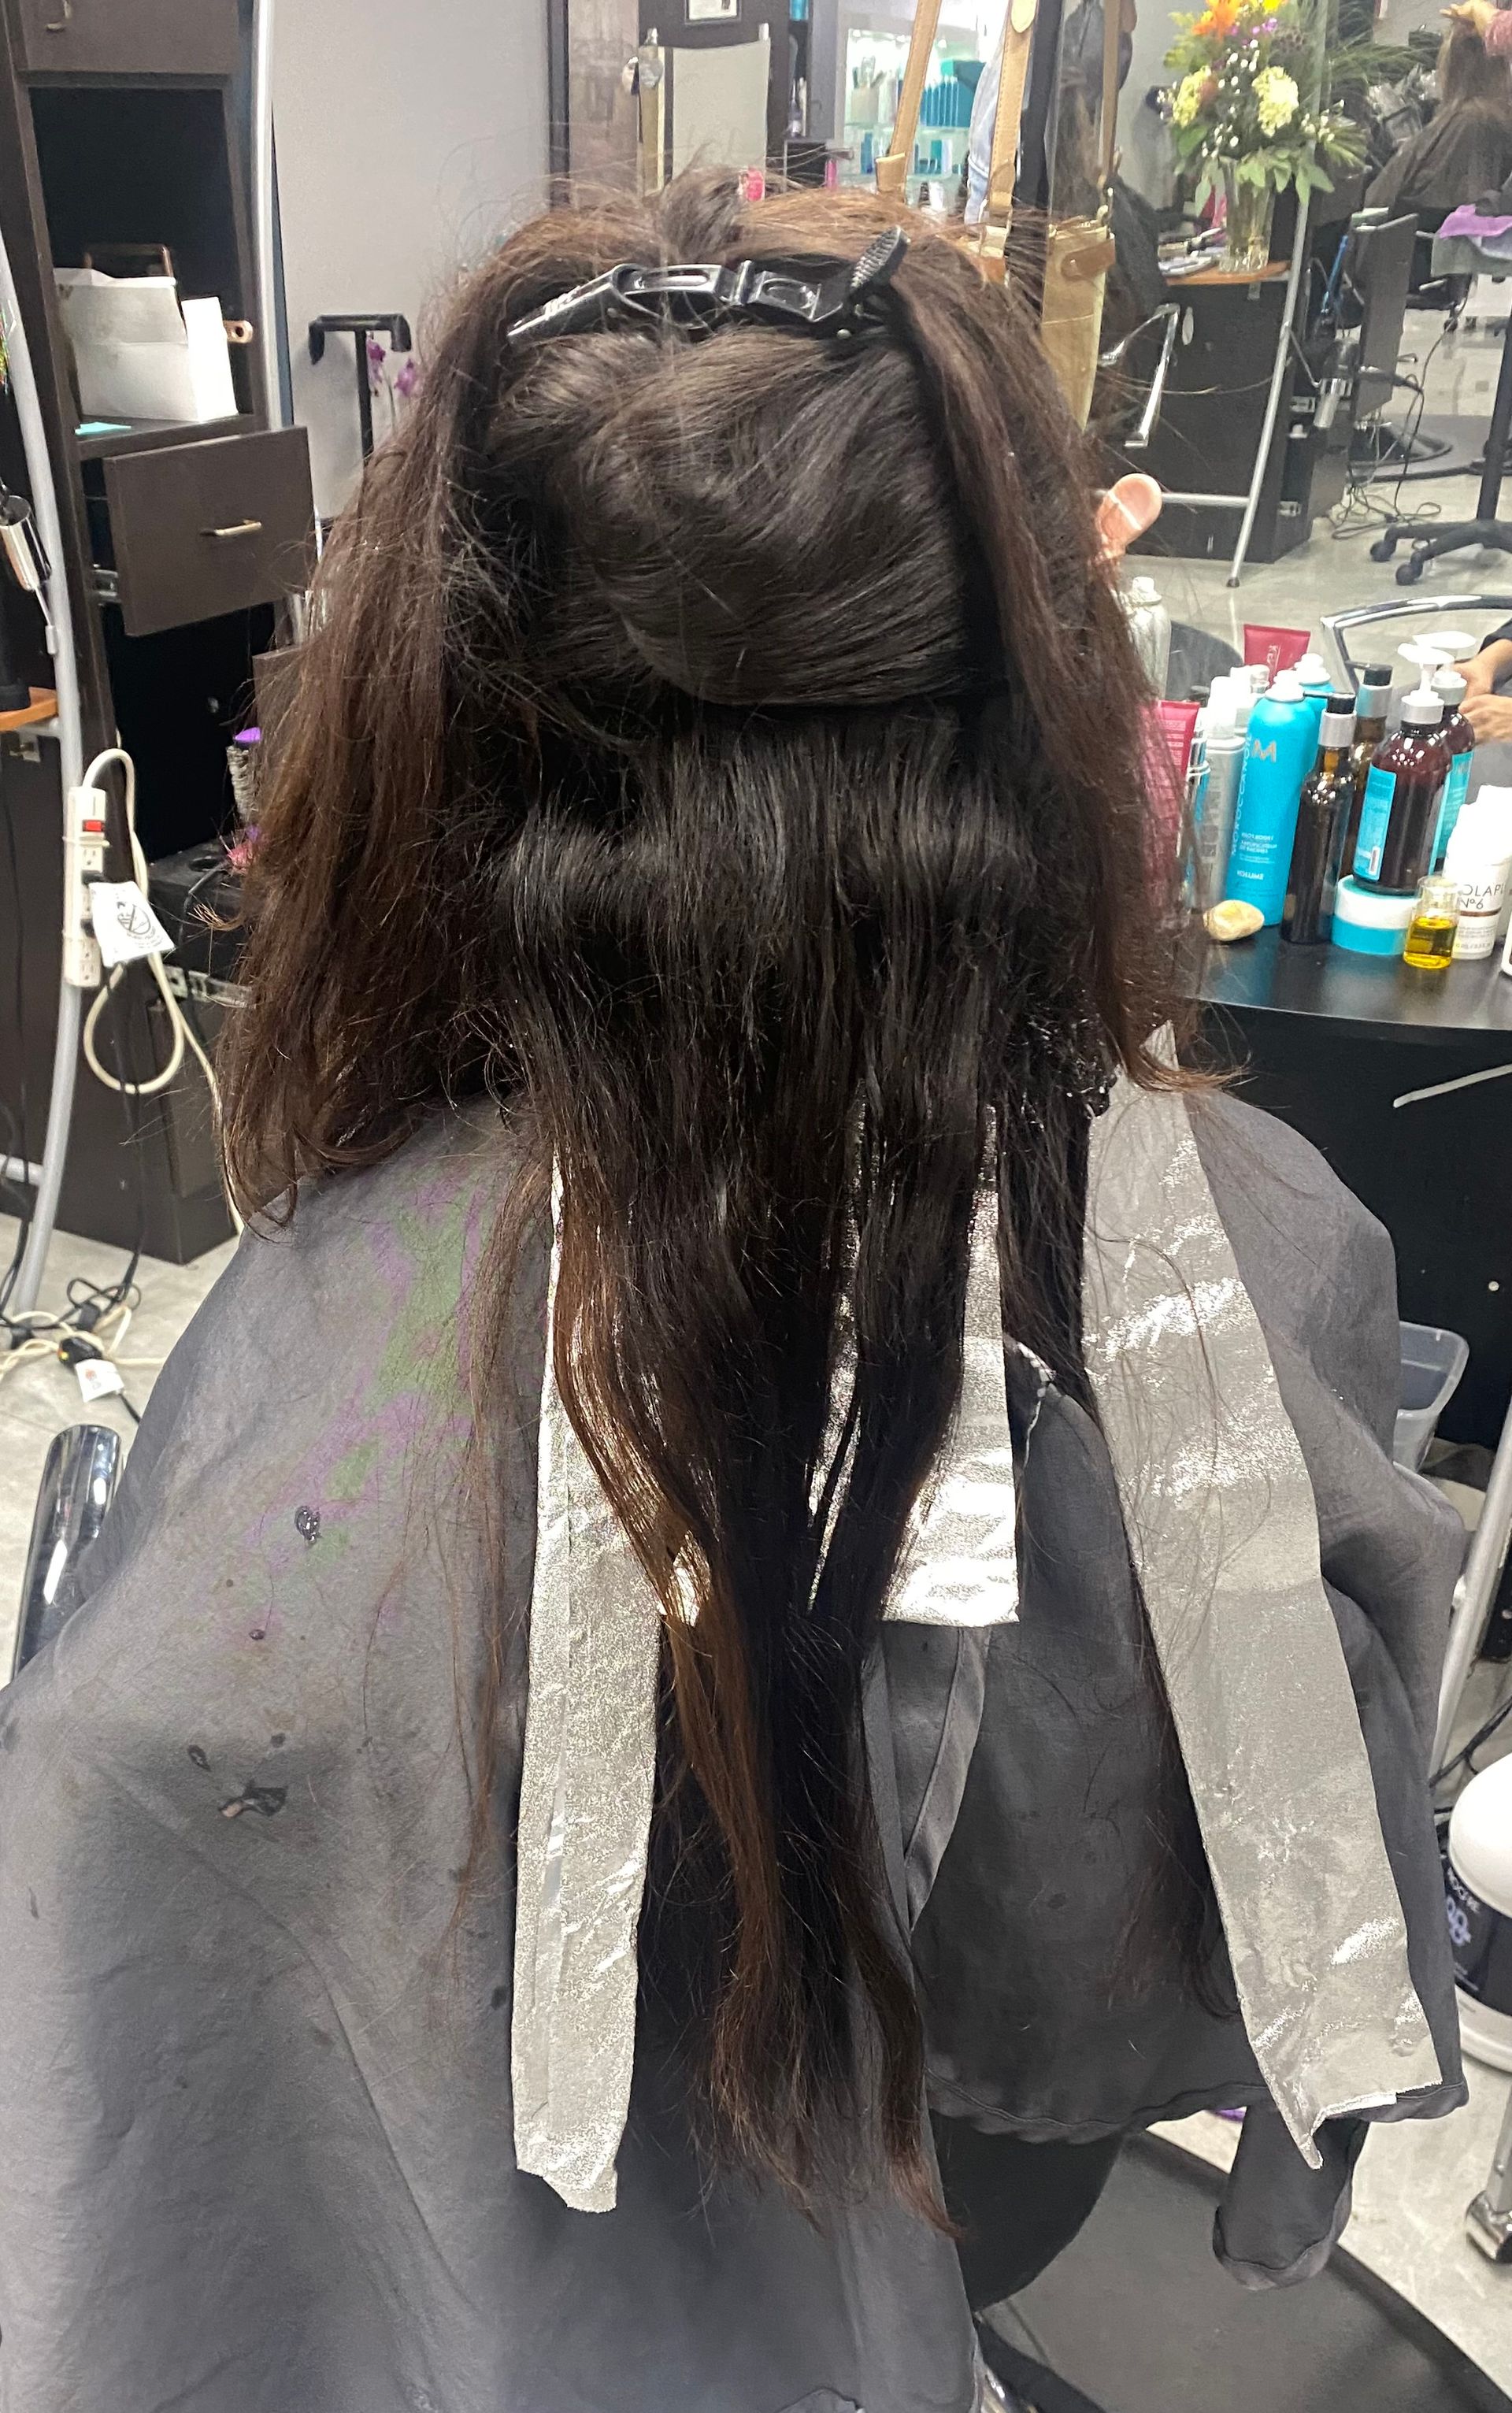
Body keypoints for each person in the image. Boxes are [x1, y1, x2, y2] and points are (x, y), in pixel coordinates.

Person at [0, 177, 1464, 2413]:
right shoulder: (1249, 1227)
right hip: (1000, 2175)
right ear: (1025, 710)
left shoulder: (346, 1323)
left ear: (444, 728)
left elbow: (159, 1891)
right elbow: (1158, 1960)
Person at [1366, 19, 1512, 214]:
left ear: (1451, 66)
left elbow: (1376, 200)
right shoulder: (1489, 121)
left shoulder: (1470, 124)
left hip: (1418, 237)